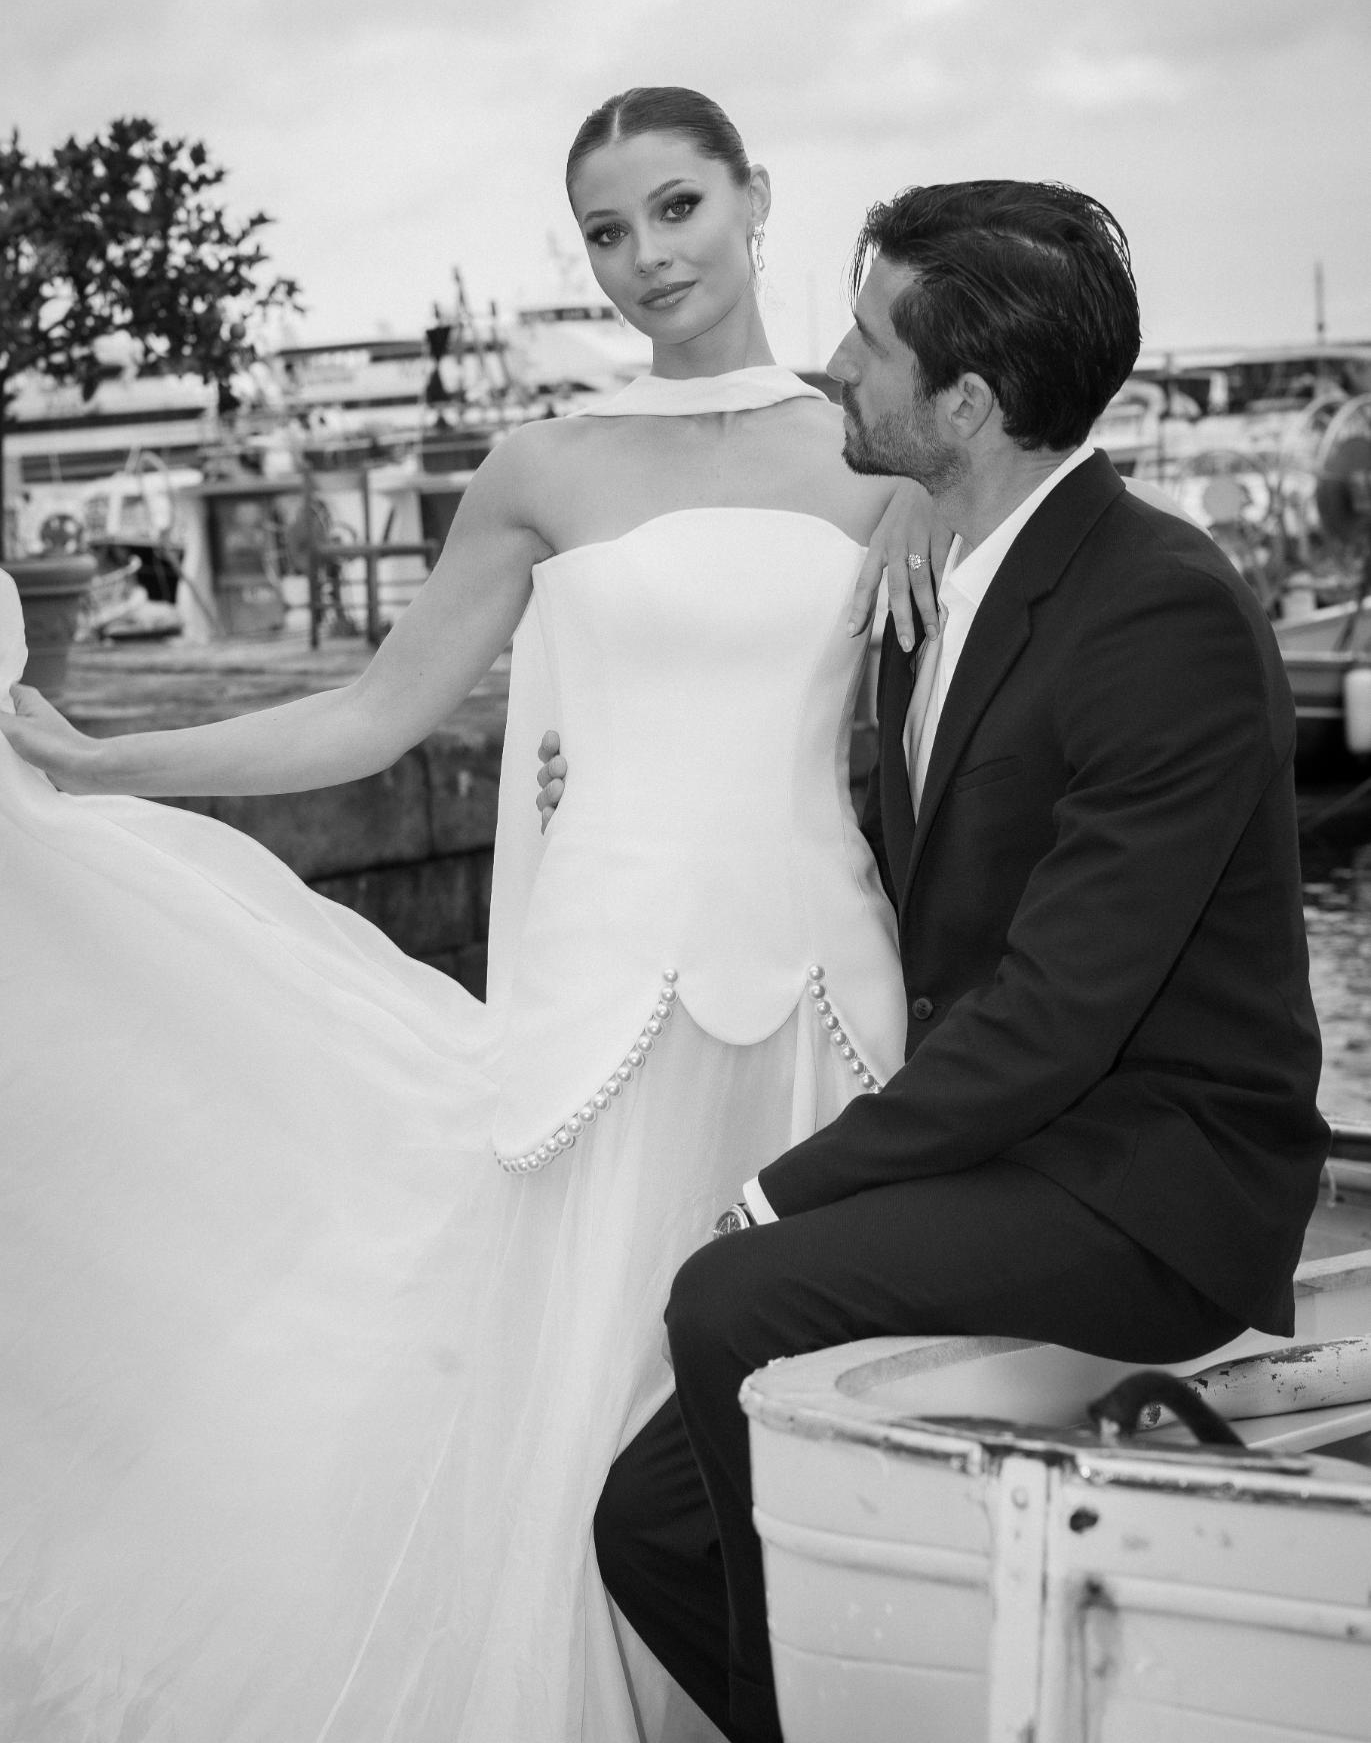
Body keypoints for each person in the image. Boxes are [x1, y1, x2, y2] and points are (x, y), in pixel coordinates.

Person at [0, 88, 937, 1743]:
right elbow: (370, 718)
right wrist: (101, 763)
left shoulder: (880, 456)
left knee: (801, 1412)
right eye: (604, 231)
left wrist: (946, 499)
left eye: (675, 208)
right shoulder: (541, 465)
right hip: (607, 1007)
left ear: (754, 199)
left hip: (827, 1001)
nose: (647, 258)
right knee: (586, 1405)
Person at [592, 179, 1329, 1743]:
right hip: (1025, 1150)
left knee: (728, 1292)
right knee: (644, 1528)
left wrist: (792, 1187)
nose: (829, 369)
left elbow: (1061, 1011)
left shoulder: (1162, 614)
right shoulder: (952, 575)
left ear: (971, 402)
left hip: (1157, 1184)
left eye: (866, 344)